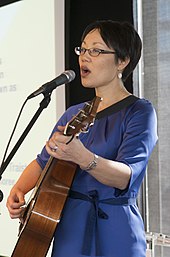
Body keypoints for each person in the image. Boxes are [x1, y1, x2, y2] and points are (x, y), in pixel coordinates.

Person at [6, 20, 158, 257]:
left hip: (115, 228)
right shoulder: (73, 113)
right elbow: (43, 162)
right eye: (83, 49)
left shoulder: (139, 111)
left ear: (123, 60)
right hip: (69, 227)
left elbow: (126, 176)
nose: (85, 57)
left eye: (96, 50)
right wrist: (20, 189)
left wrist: (84, 157)